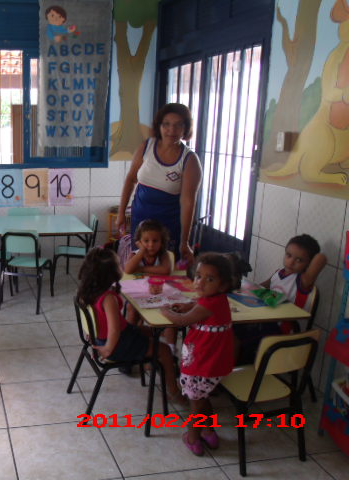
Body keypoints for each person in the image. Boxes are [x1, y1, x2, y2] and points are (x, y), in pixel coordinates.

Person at [77, 247, 183, 401]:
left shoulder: (88, 292)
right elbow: (114, 331)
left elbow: (94, 319)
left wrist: (92, 332)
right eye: (119, 265)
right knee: (165, 349)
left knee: (148, 331)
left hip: (104, 338)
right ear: (111, 274)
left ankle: (151, 363)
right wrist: (107, 349)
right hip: (116, 345)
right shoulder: (108, 299)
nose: (122, 267)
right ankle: (174, 391)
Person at [160, 253, 234, 456]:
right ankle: (209, 433)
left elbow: (181, 321)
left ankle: (193, 438)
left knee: (196, 404)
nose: (200, 282)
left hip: (202, 363)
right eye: (198, 276)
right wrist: (188, 305)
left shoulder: (209, 305)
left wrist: (166, 311)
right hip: (213, 362)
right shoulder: (217, 300)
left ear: (222, 285)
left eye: (209, 279)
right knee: (202, 398)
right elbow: (200, 305)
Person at [117, 103, 202, 263]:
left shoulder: (190, 160)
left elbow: (188, 203)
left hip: (168, 227)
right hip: (140, 222)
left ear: (186, 128)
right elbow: (130, 179)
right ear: (159, 126)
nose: (172, 130)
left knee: (164, 270)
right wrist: (121, 213)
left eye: (178, 125)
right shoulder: (147, 146)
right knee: (138, 266)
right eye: (167, 124)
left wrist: (184, 242)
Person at [234, 233, 326, 363]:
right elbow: (257, 288)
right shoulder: (278, 273)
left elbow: (321, 258)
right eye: (288, 255)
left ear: (309, 264)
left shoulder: (302, 281)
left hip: (282, 330)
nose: (291, 262)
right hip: (266, 321)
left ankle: (230, 370)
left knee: (235, 335)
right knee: (231, 327)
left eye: (299, 260)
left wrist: (311, 261)